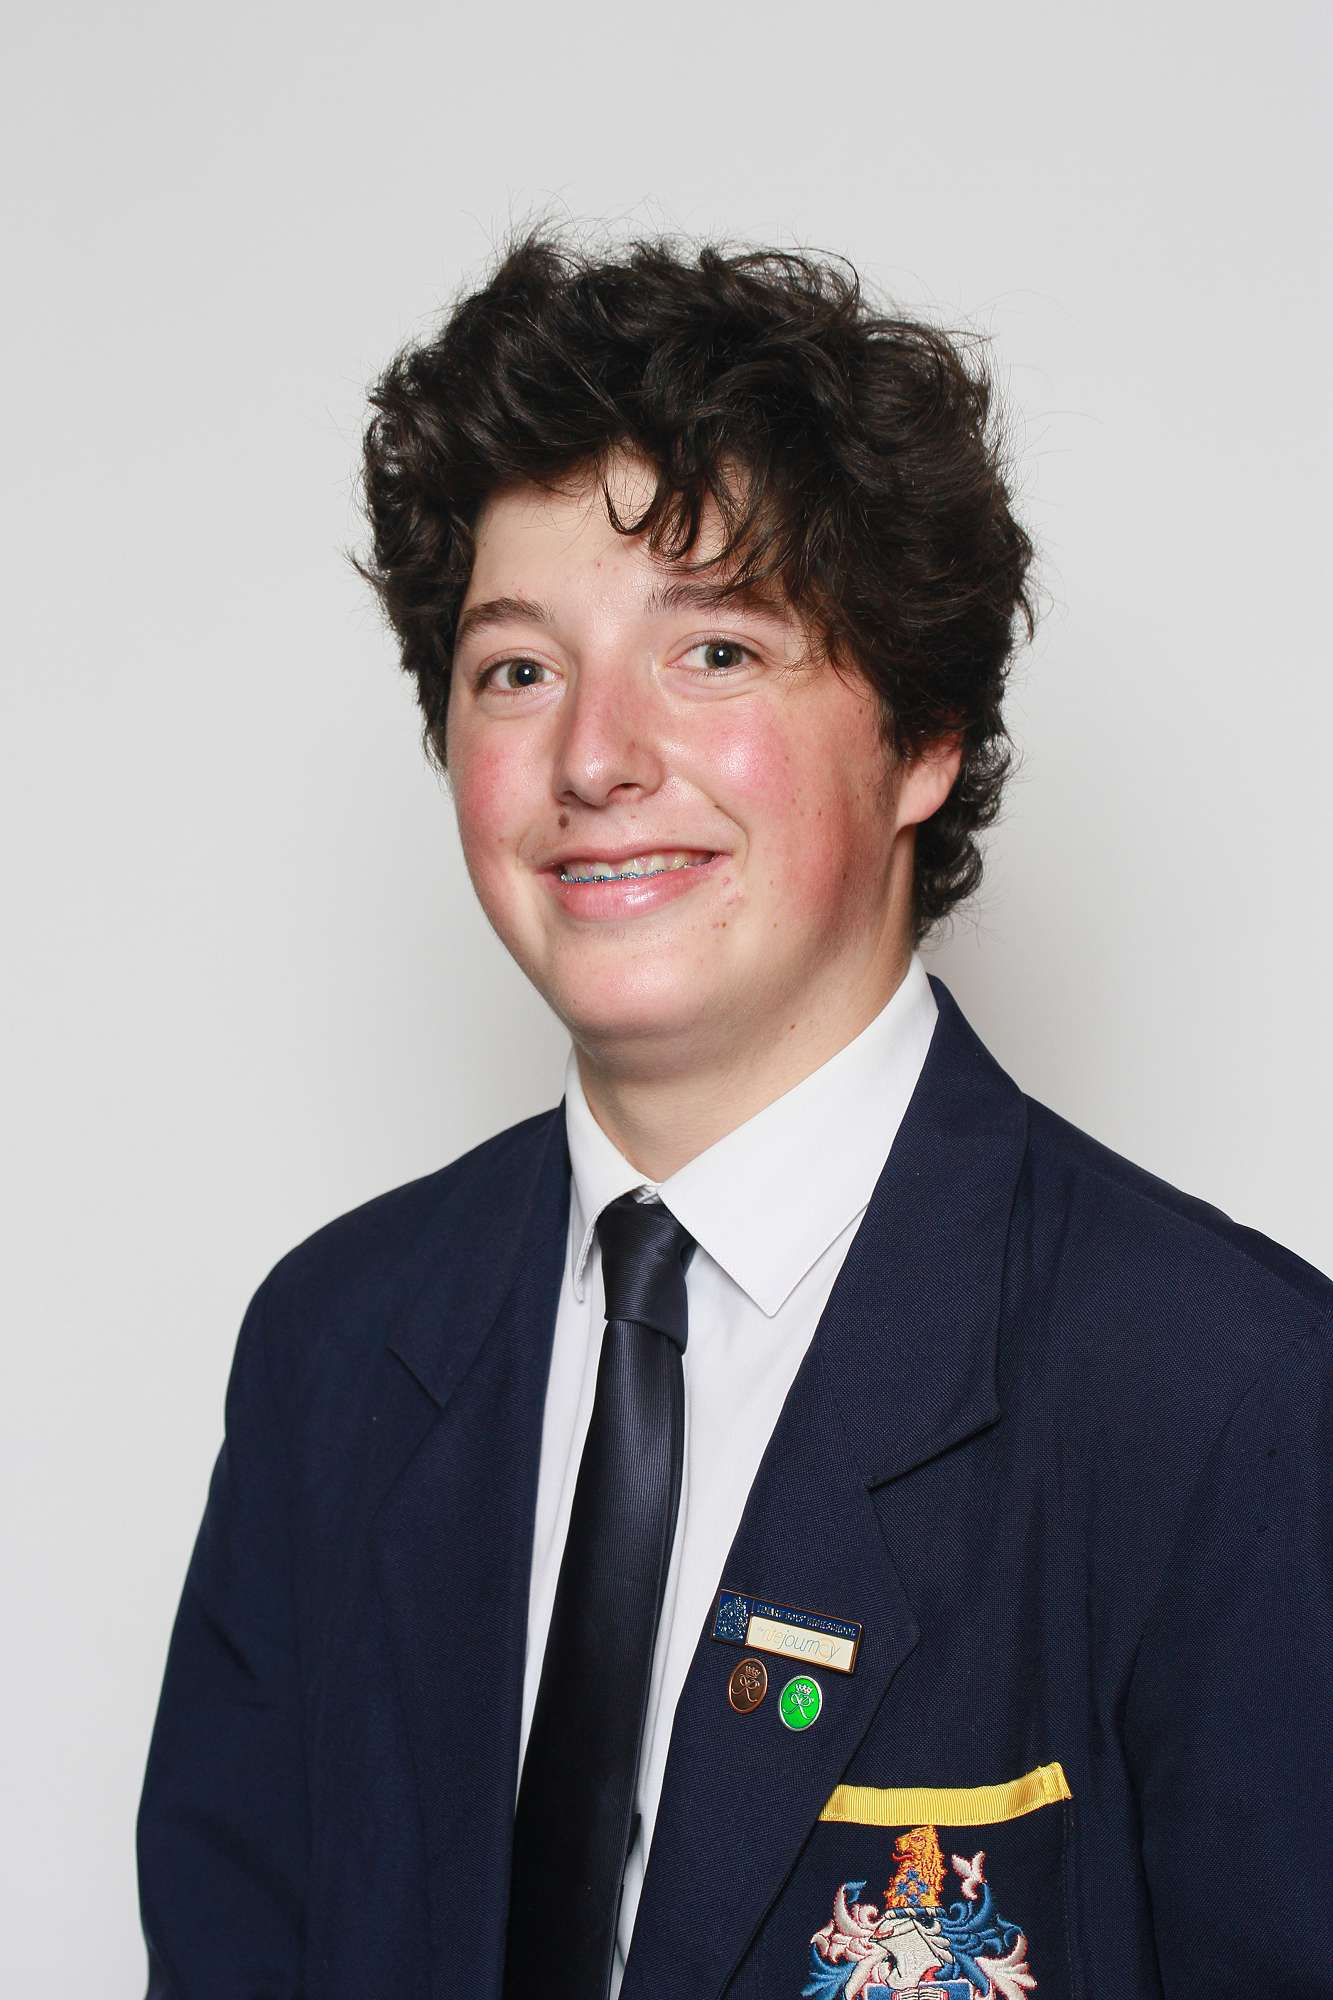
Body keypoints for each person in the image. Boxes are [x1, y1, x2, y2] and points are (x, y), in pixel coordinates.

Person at [136, 232, 1333, 2000]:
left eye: (712, 649)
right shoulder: (336, 1345)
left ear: (921, 735)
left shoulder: (1226, 1392)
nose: (592, 758)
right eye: (516, 670)